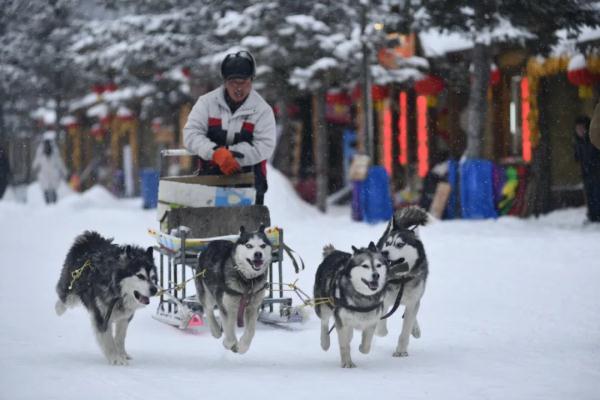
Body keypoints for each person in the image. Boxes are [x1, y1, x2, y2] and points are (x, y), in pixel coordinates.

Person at [183, 50, 276, 205]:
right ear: (225, 82)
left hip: (250, 182)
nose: (238, 88)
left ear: (251, 81)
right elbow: (191, 135)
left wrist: (233, 156)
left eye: (244, 82)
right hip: (209, 179)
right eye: (233, 82)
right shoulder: (206, 103)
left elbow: (265, 146)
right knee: (208, 226)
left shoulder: (262, 110)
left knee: (248, 227)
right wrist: (215, 153)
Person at [573, 116, 600, 223]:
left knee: (596, 194)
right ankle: (592, 216)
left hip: (596, 173)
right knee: (590, 195)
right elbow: (577, 157)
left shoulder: (593, 139)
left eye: (581, 128)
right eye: (577, 128)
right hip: (587, 173)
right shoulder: (578, 141)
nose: (579, 131)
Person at [32, 133, 68, 204]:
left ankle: (54, 206)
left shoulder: (54, 153)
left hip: (53, 174)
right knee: (46, 191)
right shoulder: (41, 153)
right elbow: (35, 164)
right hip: (45, 175)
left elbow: (60, 164)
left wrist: (65, 172)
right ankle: (48, 206)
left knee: (53, 191)